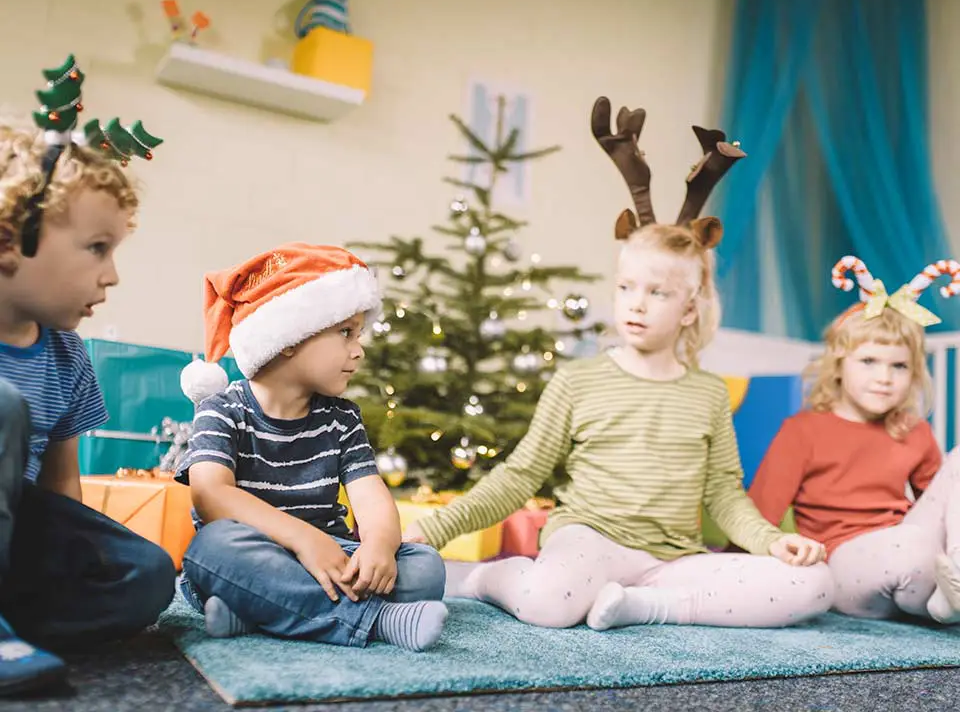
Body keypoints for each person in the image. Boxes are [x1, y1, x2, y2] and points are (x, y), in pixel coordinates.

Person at [402, 97, 833, 631]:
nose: (636, 304)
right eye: (627, 287)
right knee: (548, 604)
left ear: (689, 309)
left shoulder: (708, 393)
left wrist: (772, 542)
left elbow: (724, 494)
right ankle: (482, 578)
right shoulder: (578, 380)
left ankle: (645, 606)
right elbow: (521, 474)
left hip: (672, 562)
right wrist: (437, 529)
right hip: (589, 540)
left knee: (813, 584)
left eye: (657, 292)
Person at [175, 243, 448, 651]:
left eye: (358, 334)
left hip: (333, 556)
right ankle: (377, 621)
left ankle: (260, 612)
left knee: (426, 568)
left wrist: (379, 546)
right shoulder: (222, 410)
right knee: (210, 550)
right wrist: (303, 540)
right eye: (346, 332)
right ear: (289, 337)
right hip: (256, 557)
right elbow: (211, 495)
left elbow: (371, 498)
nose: (359, 349)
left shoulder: (342, 418)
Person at [0, 54, 174, 694]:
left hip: (17, 537)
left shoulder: (68, 357)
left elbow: (59, 492)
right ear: (10, 240)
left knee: (147, 574)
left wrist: (72, 564)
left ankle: (16, 629)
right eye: (97, 249)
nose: (113, 275)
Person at [749, 255, 960, 623]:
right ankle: (942, 599)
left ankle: (951, 590)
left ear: (913, 374)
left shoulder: (914, 431)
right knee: (912, 547)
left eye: (899, 366)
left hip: (912, 554)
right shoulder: (802, 431)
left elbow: (941, 509)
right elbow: (760, 515)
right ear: (838, 365)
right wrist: (732, 564)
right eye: (869, 361)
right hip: (843, 564)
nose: (884, 378)